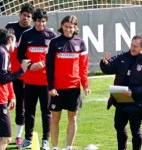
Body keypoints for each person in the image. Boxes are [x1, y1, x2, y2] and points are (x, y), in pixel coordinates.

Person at [46, 15, 90, 150]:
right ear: (62, 26)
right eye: (66, 26)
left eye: (71, 27)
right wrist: (51, 86)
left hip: (74, 88)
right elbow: (49, 67)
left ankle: (68, 147)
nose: (68, 29)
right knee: (55, 119)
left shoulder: (81, 43)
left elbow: (83, 67)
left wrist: (85, 85)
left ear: (75, 27)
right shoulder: (54, 43)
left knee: (73, 118)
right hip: (57, 88)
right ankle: (54, 147)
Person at [17, 8, 57, 149]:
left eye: (43, 21)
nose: (41, 24)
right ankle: (28, 138)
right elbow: (19, 55)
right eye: (39, 21)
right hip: (29, 81)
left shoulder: (51, 35)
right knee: (29, 111)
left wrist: (44, 64)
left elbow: (55, 57)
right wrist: (29, 65)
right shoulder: (26, 35)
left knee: (46, 111)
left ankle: (46, 140)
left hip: (46, 81)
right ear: (35, 21)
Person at [100, 34, 142, 150]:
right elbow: (110, 67)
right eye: (132, 45)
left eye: (136, 46)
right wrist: (105, 63)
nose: (133, 48)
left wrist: (133, 92)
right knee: (119, 126)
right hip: (121, 101)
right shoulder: (123, 57)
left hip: (136, 103)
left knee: (136, 131)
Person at [5, 2, 35, 146]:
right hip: (8, 74)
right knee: (0, 104)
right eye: (24, 15)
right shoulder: (10, 28)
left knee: (20, 105)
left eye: (29, 16)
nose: (26, 18)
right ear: (19, 14)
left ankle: (18, 135)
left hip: (23, 75)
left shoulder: (32, 32)